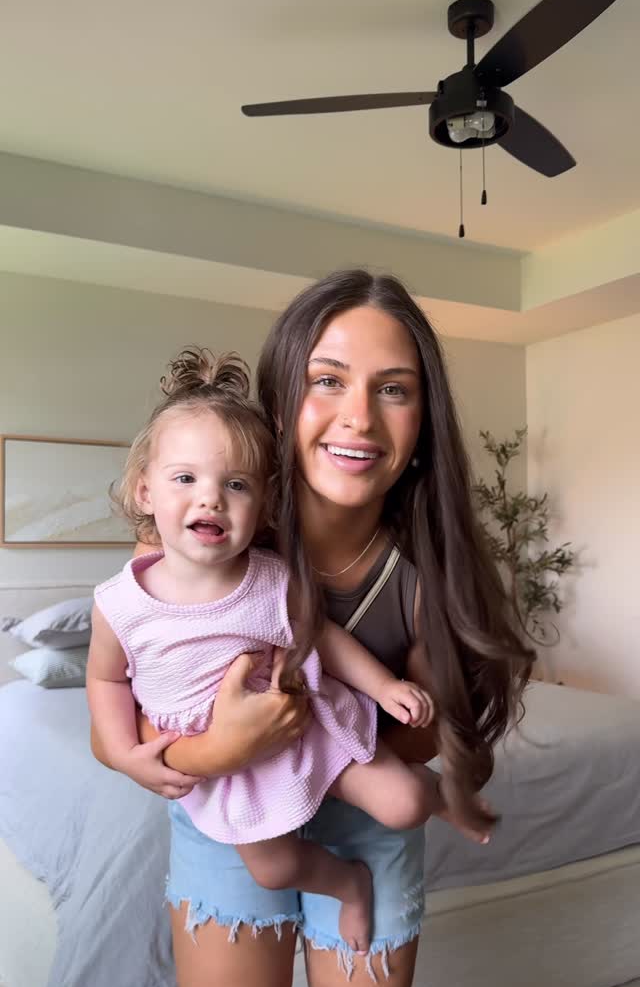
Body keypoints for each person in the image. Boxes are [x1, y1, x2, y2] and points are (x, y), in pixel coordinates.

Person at [92, 269, 533, 987]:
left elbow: (414, 739)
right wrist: (222, 750)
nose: (359, 416)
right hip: (228, 812)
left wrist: (397, 727)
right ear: (282, 399)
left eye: (392, 389)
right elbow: (127, 712)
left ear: (423, 420)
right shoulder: (204, 537)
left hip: (362, 805)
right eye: (328, 380)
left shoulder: (428, 571)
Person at [88, 347, 471, 955]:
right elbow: (107, 680)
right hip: (232, 773)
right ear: (144, 491)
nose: (211, 499)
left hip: (307, 731)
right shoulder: (120, 603)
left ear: (263, 506)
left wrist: (384, 687)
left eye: (235, 485)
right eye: (185, 479)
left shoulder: (268, 578)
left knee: (404, 804)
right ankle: (348, 884)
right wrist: (123, 752)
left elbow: (322, 635)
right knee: (272, 869)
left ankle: (442, 793)